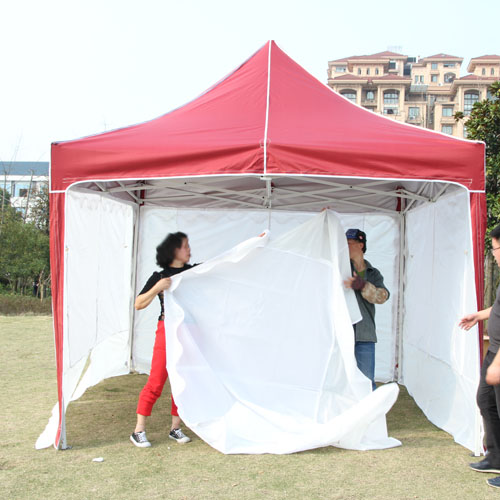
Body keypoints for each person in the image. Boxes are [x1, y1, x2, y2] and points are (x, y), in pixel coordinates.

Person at [130, 231, 194, 448]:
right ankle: (138, 430)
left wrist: (255, 243)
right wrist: (157, 288)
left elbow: (223, 264)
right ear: (174, 250)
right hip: (165, 330)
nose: (189, 250)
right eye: (185, 246)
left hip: (187, 331)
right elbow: (138, 303)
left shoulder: (195, 273)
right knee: (156, 380)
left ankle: (175, 428)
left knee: (182, 379)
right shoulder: (159, 276)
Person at [459, 223, 500, 489]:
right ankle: (495, 455)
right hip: (494, 350)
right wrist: (479, 315)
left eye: (495, 248)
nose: (494, 254)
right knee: (485, 401)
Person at [343, 228, 389, 391]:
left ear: (360, 245)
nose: (345, 247)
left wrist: (362, 286)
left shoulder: (373, 273)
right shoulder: (340, 268)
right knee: (340, 381)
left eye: (349, 243)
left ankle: (370, 415)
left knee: (366, 382)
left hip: (364, 334)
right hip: (341, 334)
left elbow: (382, 297)